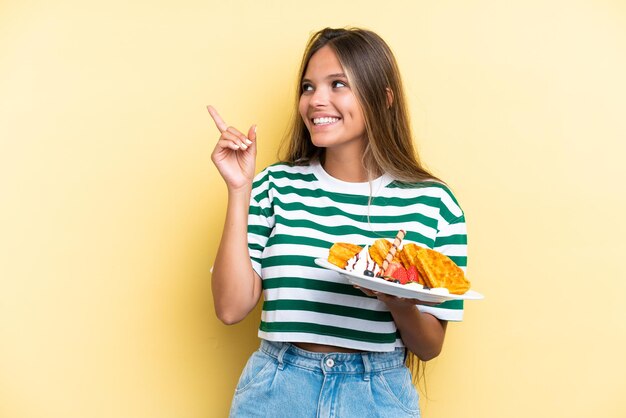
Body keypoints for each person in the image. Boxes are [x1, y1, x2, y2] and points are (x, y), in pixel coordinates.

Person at [208, 27, 467, 418]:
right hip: (277, 390)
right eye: (309, 87)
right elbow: (230, 308)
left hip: (377, 395)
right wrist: (239, 189)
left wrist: (399, 302)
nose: (317, 100)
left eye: (338, 84)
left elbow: (429, 347)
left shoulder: (434, 204)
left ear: (384, 98)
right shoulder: (274, 186)